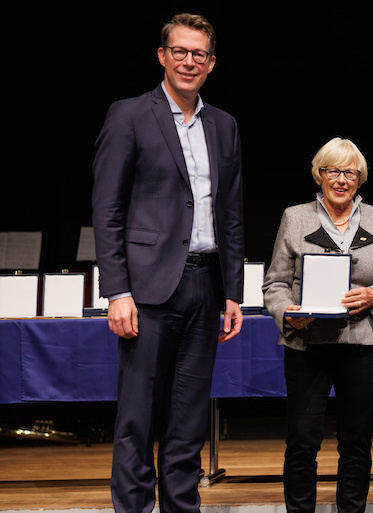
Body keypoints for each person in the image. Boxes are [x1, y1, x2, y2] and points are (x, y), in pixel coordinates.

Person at [92, 13, 244, 513]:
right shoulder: (129, 115)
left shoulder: (224, 125)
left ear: (212, 63)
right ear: (162, 56)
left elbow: (232, 212)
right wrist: (117, 290)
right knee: (137, 416)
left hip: (206, 286)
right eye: (179, 51)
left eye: (198, 54)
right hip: (148, 289)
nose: (188, 61)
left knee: (189, 417)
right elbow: (107, 210)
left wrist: (233, 290)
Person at [262, 137, 373, 513]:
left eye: (350, 172)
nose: (341, 179)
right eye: (332, 171)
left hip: (363, 344)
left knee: (356, 441)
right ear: (319, 174)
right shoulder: (295, 217)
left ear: (360, 178)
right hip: (307, 344)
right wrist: (287, 312)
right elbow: (275, 282)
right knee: (302, 441)